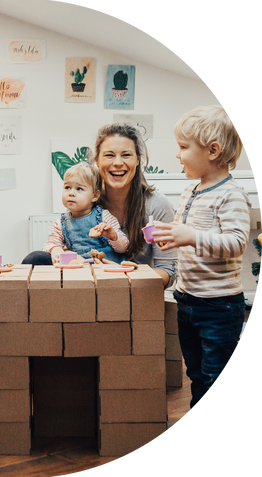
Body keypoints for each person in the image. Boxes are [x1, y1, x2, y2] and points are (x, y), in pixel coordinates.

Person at [152, 105, 250, 410]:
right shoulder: (190, 190)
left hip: (219, 306)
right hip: (188, 300)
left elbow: (236, 243)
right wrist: (170, 236)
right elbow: (187, 233)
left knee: (215, 376)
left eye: (183, 147)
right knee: (195, 372)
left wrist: (190, 237)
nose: (178, 155)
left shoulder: (231, 194)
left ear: (212, 150)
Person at [90, 123, 178, 286]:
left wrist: (128, 275)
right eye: (109, 155)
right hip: (92, 295)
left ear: (137, 160)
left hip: (140, 298)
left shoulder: (157, 206)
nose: (117, 162)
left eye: (126, 155)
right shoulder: (87, 202)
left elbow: (168, 271)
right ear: (97, 160)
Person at [27, 162, 128, 265]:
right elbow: (50, 244)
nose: (71, 193)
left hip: (108, 270)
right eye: (67, 187)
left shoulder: (104, 217)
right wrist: (56, 250)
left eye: (79, 189)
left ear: (95, 195)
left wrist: (113, 236)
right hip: (80, 272)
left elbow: (123, 248)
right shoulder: (61, 223)